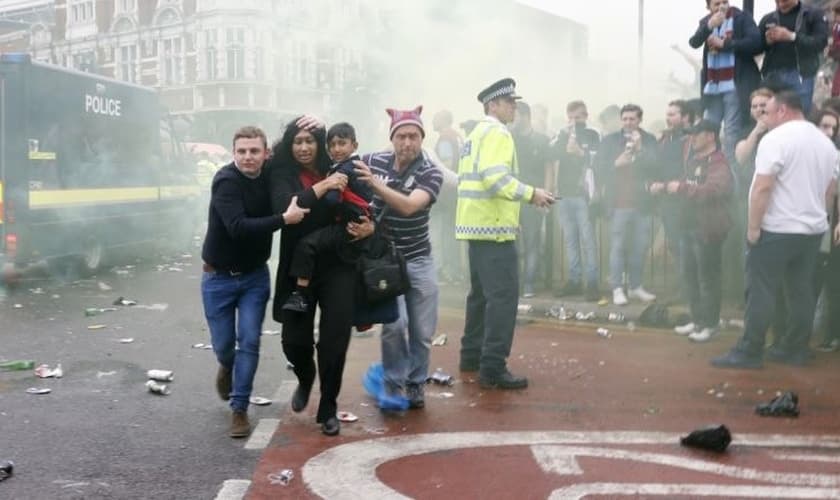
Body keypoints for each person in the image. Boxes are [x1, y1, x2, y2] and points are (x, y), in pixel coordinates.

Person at [712, 90, 838, 369]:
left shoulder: (776, 139)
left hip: (777, 228)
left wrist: (754, 229)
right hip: (812, 229)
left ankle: (750, 350)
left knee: (761, 290)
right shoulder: (826, 144)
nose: (763, 117)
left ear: (782, 110)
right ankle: (794, 349)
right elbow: (830, 192)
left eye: (767, 112)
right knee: (800, 291)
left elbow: (763, 187)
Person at [201, 126, 309, 438]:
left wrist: (307, 122)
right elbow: (237, 227)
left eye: (254, 151)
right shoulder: (225, 181)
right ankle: (226, 365)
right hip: (217, 279)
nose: (248, 157)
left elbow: (293, 146)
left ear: (265, 154)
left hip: (253, 279)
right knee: (225, 346)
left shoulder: (270, 173)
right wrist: (283, 220)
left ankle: (239, 408)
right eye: (242, 151)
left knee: (249, 340)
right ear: (233, 153)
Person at [269, 118, 374, 436]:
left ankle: (328, 407)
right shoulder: (282, 173)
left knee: (334, 341)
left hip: (339, 265)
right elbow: (284, 207)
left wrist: (371, 226)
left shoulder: (342, 166)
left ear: (322, 143)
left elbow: (369, 202)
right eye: (297, 141)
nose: (303, 147)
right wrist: (324, 187)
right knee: (293, 340)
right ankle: (304, 377)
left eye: (310, 141)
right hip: (298, 267)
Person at [456, 78, 555, 390]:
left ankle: (471, 356)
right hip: (493, 229)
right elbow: (495, 179)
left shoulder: (475, 133)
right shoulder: (498, 132)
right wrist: (532, 194)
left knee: (480, 296)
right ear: (493, 105)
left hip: (477, 225)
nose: (514, 106)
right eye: (509, 102)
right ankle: (493, 367)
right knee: (503, 298)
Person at [354, 106, 443, 410]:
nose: (408, 143)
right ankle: (392, 385)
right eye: (402, 136)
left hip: (419, 260)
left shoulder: (431, 172)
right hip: (385, 262)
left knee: (422, 332)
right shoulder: (371, 161)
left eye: (414, 136)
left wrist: (375, 184)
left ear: (422, 139)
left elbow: (408, 206)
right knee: (393, 325)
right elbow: (336, 163)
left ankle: (416, 385)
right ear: (392, 139)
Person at [652, 120, 733, 342]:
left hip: (707, 230)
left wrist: (682, 188)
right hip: (687, 227)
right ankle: (698, 321)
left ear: (710, 136)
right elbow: (683, 183)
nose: (692, 138)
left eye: (696, 134)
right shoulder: (694, 160)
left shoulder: (719, 163)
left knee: (708, 279)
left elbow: (715, 189)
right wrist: (666, 186)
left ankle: (710, 325)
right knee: (690, 277)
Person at [281, 122, 373, 313]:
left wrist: (325, 195)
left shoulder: (345, 169)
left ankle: (299, 293)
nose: (336, 149)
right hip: (354, 223)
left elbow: (332, 199)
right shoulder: (356, 166)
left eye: (342, 143)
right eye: (332, 145)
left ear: (354, 146)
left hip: (348, 225)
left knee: (306, 245)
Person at [595, 104, 659, 306]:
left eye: (632, 119)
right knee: (618, 247)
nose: (628, 123)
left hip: (642, 203)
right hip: (618, 203)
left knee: (640, 247)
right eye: (625, 119)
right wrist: (616, 163)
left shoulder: (649, 140)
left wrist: (640, 150)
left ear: (640, 120)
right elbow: (597, 168)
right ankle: (617, 289)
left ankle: (635, 287)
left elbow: (656, 166)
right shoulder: (610, 140)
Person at [689, 0, 762, 164]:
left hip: (735, 84)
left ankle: (729, 172)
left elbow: (756, 43)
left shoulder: (741, 18)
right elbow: (694, 43)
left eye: (724, 2)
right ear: (708, 7)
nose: (721, 6)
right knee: (707, 130)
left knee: (731, 133)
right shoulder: (706, 22)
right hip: (713, 86)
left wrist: (726, 43)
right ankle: (706, 167)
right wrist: (709, 26)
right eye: (716, 4)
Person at [552, 100, 601, 301]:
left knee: (588, 240)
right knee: (571, 240)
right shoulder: (561, 134)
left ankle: (592, 283)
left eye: (578, 117)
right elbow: (551, 154)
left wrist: (581, 152)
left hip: (583, 195)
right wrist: (564, 140)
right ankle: (574, 280)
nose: (574, 121)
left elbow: (600, 160)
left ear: (586, 116)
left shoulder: (593, 134)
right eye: (571, 117)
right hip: (565, 193)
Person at [757, 0, 829, 115]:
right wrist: (767, 41)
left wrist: (792, 36)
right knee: (770, 116)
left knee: (799, 115)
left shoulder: (813, 14)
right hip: (772, 75)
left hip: (801, 74)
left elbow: (820, 42)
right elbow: (756, 47)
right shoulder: (767, 18)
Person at [511, 101, 553, 298]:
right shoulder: (509, 138)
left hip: (534, 198)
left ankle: (528, 284)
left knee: (532, 242)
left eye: (516, 114)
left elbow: (548, 169)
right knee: (512, 243)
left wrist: (546, 196)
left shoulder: (542, 140)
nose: (512, 118)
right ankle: (516, 283)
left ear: (525, 116)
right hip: (512, 198)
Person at [657, 100, 692, 279]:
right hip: (666, 200)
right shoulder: (664, 139)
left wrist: (676, 185)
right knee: (673, 244)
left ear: (685, 117)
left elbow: (693, 169)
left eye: (673, 114)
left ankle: (690, 289)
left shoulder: (692, 139)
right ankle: (683, 286)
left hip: (685, 199)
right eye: (667, 114)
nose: (668, 118)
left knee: (684, 244)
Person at [432, 110, 464, 283]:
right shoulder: (457, 136)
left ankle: (449, 271)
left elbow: (447, 165)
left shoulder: (444, 138)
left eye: (435, 117)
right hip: (459, 190)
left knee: (447, 233)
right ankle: (456, 271)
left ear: (443, 119)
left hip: (448, 193)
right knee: (453, 232)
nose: (432, 120)